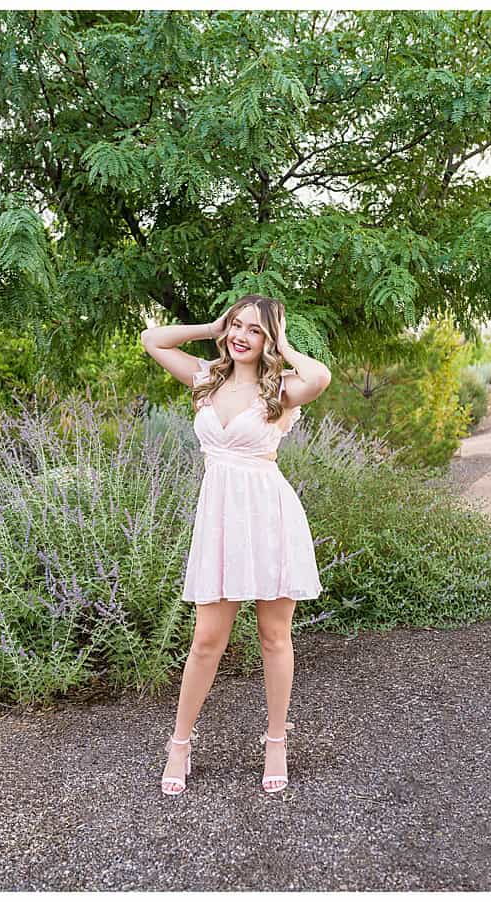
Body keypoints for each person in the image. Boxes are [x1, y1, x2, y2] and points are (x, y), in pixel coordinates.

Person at [139, 294, 333, 794]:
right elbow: (152, 339)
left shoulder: (281, 390)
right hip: (220, 522)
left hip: (269, 517)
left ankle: (275, 740)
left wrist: (285, 342)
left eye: (256, 329)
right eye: (237, 326)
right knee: (207, 639)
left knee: (274, 636)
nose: (242, 336)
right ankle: (179, 744)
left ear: (270, 339)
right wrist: (211, 324)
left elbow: (320, 377)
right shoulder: (206, 379)